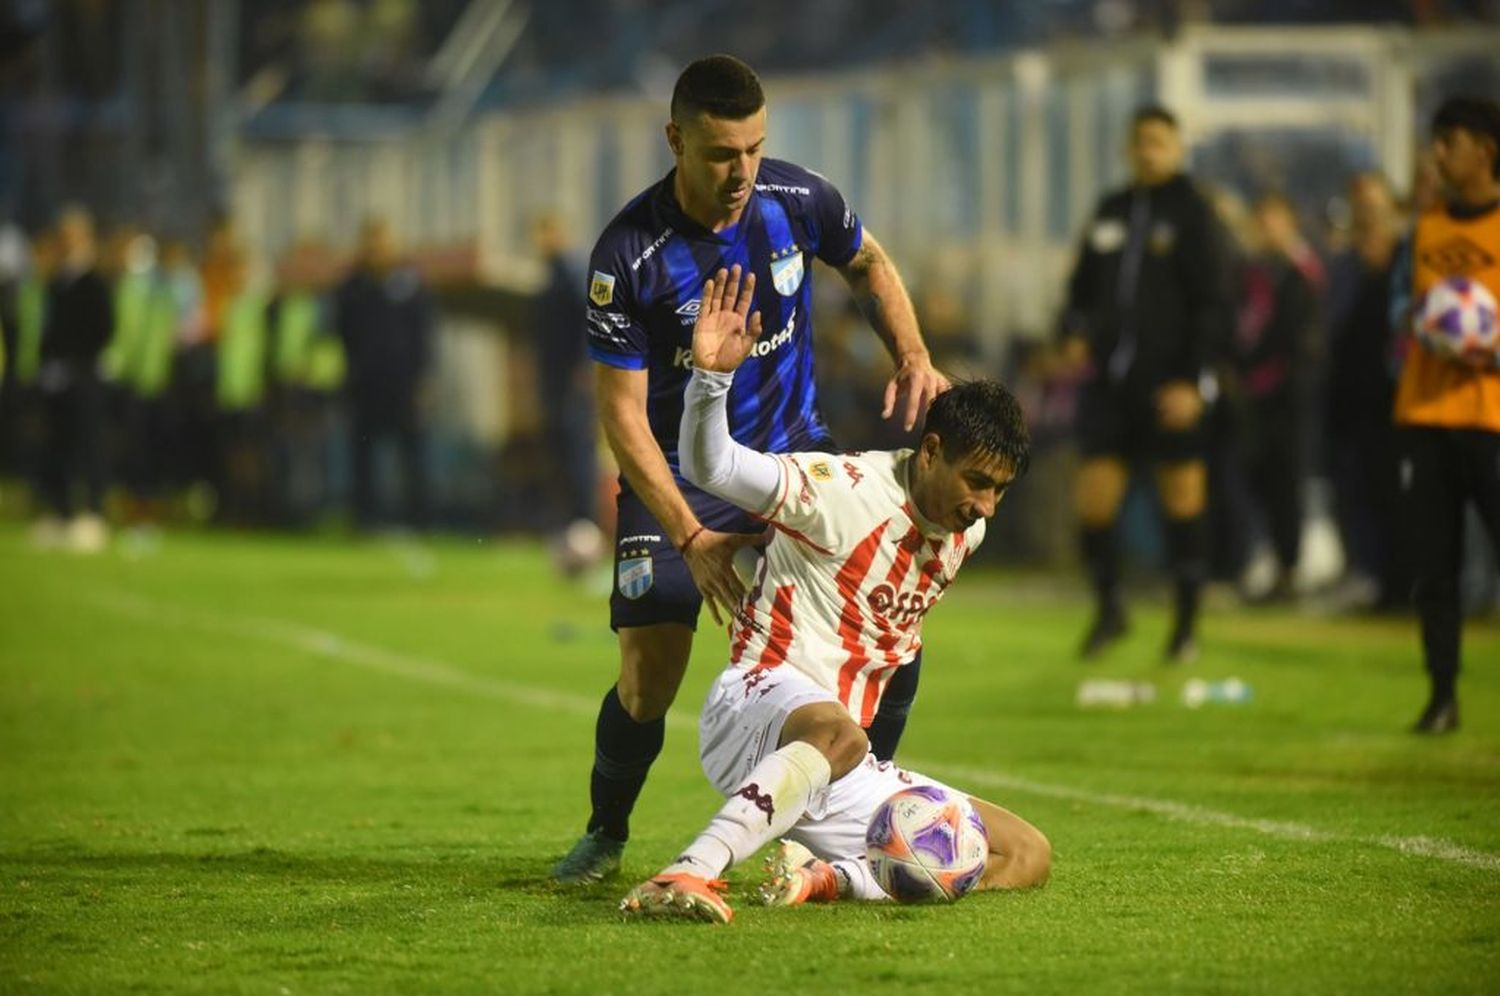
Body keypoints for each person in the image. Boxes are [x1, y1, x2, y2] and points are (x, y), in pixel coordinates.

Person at [553, 55, 948, 884]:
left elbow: (869, 262)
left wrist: (912, 354)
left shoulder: (797, 200)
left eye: (754, 150)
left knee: (888, 642)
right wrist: (689, 532)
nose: (741, 172)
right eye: (722, 154)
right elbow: (622, 415)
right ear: (676, 140)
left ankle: (842, 819)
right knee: (648, 677)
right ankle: (605, 832)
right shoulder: (630, 253)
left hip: (793, 463)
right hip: (677, 477)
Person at [619, 266, 1049, 921]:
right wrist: (710, 381)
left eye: (1001, 490)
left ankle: (829, 880)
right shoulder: (842, 491)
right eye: (977, 481)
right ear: (930, 451)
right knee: (839, 732)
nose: (986, 505)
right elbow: (713, 466)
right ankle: (687, 872)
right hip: (757, 705)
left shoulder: (969, 530)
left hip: (844, 764)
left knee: (1023, 854)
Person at [1057, 106, 1230, 663]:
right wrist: (1072, 333)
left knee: (1183, 502)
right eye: (1140, 141)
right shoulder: (1111, 210)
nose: (1148, 151)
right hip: (1112, 384)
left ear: (1177, 148)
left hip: (1170, 383)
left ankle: (1185, 628)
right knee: (1094, 500)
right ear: (1129, 148)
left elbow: (1213, 304)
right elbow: (1080, 290)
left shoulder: (1195, 214)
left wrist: (1191, 380)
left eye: (1159, 141)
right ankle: (1110, 608)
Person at [1389, 96, 1500, 734]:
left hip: (1491, 419)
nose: (1438, 154)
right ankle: (1442, 695)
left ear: (1485, 150)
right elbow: (1399, 309)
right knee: (1435, 567)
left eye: (1449, 141)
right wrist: (1425, 325)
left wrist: (1485, 342)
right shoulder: (1426, 226)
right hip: (1426, 415)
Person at [1226, 193, 1324, 602]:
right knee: (1259, 482)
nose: (1265, 228)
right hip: (1254, 398)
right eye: (1260, 219)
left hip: (1288, 398)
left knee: (1286, 483)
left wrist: (1270, 377)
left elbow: (1301, 342)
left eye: (1273, 220)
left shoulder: (1300, 274)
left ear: (1290, 225)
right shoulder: (1250, 273)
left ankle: (1290, 569)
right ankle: (1270, 564)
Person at [1323, 173, 1404, 611]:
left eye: (1374, 203)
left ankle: (1400, 583)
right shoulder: (1344, 266)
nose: (1366, 212)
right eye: (1360, 204)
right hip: (1348, 399)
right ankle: (1368, 577)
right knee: (1354, 492)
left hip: (1398, 398)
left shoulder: (1409, 259)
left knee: (1397, 495)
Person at [334, 217, 434, 532]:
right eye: (371, 242)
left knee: (412, 455)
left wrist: (424, 378)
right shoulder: (352, 287)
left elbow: (424, 335)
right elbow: (343, 332)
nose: (376, 249)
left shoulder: (411, 284)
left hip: (403, 384)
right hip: (365, 384)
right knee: (363, 453)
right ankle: (365, 520)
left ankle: (420, 522)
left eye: (382, 241)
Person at [36, 206, 114, 552]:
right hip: (58, 377)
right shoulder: (56, 281)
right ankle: (62, 512)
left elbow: (103, 328)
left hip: (84, 375)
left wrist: (76, 361)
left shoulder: (95, 281)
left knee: (88, 444)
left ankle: (93, 514)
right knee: (59, 445)